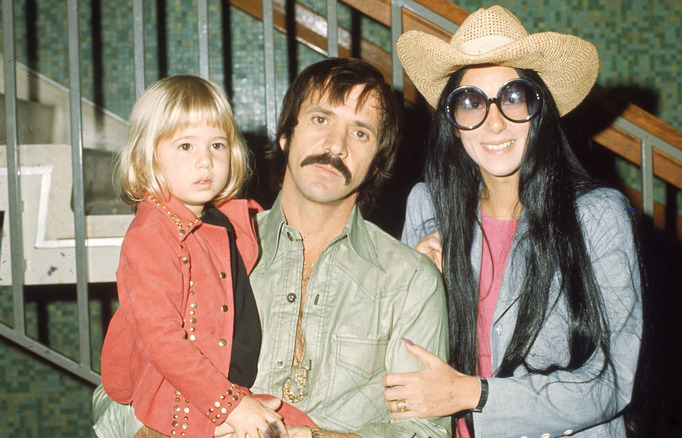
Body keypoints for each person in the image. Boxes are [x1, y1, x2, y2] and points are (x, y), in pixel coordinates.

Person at [94, 59, 450, 438]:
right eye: (320, 120)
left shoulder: (411, 279)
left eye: (360, 133)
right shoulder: (203, 243)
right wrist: (158, 431)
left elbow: (425, 430)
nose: (336, 145)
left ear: (378, 161)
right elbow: (116, 394)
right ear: (286, 135)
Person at [383, 6, 643, 438]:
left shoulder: (599, 215)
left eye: (513, 97)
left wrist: (476, 394)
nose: (495, 122)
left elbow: (611, 383)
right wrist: (411, 282)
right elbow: (402, 362)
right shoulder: (427, 207)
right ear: (453, 122)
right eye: (470, 103)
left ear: (538, 107)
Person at [97, 75, 315, 438]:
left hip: (226, 387)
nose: (205, 162)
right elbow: (162, 341)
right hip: (183, 399)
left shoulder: (221, 219)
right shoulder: (151, 234)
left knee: (309, 429)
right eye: (185, 147)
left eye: (217, 145)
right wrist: (230, 405)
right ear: (147, 156)